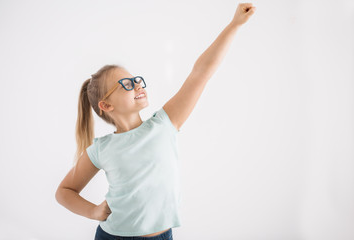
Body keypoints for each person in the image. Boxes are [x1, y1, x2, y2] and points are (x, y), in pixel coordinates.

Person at [55, 3, 256, 240]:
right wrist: (94, 211)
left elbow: (200, 73)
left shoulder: (164, 124)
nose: (137, 85)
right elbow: (64, 192)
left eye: (136, 80)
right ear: (106, 105)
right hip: (114, 236)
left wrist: (234, 25)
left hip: (162, 236)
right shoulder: (101, 149)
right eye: (127, 84)